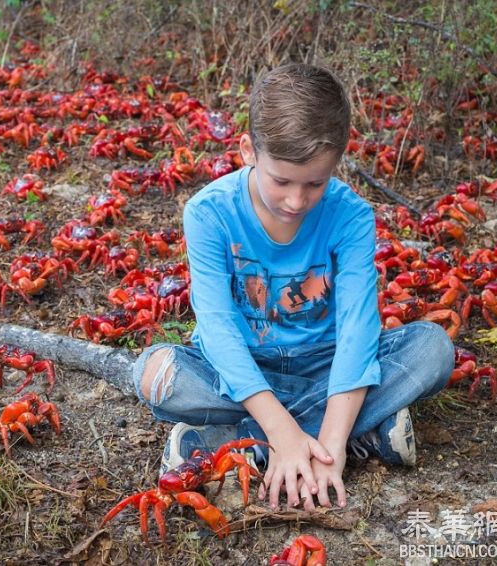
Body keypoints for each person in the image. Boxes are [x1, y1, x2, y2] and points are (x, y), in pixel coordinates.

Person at [131, 63, 454, 512]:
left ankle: (247, 445)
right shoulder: (208, 213)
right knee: (155, 372)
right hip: (239, 369)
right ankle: (347, 433)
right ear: (248, 150)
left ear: (337, 162)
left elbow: (359, 330)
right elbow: (219, 329)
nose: (296, 201)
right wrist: (283, 429)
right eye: (281, 180)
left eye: (315, 183)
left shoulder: (351, 216)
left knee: (432, 348)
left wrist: (333, 445)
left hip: (326, 365)